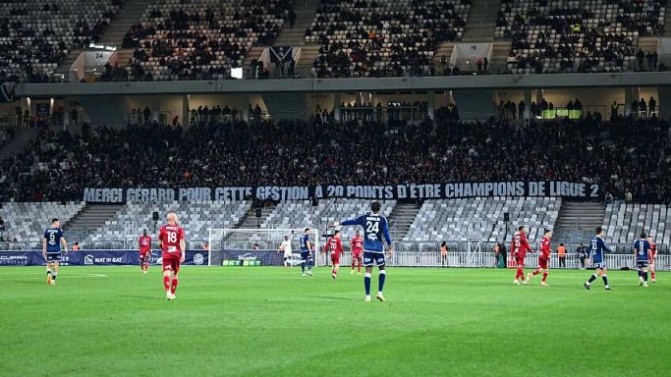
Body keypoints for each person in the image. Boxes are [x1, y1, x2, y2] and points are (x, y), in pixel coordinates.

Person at [335, 201, 393, 302]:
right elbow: (386, 234)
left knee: (368, 271)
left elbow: (352, 221)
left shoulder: (365, 217)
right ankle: (380, 293)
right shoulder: (382, 219)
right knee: (382, 269)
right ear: (379, 209)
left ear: (371, 208)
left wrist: (338, 223)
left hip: (368, 248)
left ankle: (367, 296)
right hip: (378, 248)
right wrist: (390, 247)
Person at [158, 212, 186, 300]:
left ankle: (168, 292)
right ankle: (173, 294)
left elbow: (159, 242)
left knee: (166, 273)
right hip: (176, 254)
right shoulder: (179, 229)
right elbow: (181, 242)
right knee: (175, 274)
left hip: (167, 254)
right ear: (174, 219)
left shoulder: (163, 228)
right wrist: (183, 253)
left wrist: (164, 249)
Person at [584, 226, 611, 291]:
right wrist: (611, 250)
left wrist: (588, 257)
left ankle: (606, 286)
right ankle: (587, 282)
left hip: (595, 257)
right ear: (601, 232)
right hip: (599, 258)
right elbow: (604, 248)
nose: (603, 233)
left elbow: (589, 248)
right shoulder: (600, 240)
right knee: (599, 272)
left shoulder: (593, 239)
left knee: (604, 270)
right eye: (603, 232)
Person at [43, 218, 67, 286]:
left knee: (48, 264)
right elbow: (62, 240)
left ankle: (49, 273)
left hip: (49, 250)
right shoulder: (59, 230)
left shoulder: (47, 231)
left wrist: (44, 250)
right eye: (58, 222)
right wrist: (65, 247)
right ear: (55, 222)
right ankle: (53, 280)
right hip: (57, 250)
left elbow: (44, 241)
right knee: (56, 264)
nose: (59, 224)